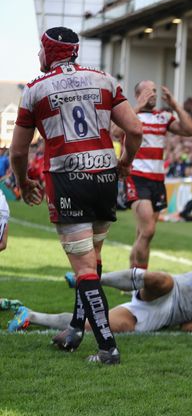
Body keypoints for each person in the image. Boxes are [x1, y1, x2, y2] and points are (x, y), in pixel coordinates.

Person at [9, 27, 143, 364]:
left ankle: (107, 348)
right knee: (93, 259)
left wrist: (24, 184)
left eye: (40, 50)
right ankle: (75, 330)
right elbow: (135, 129)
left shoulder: (35, 90)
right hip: (103, 177)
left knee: (83, 268)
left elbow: (17, 153)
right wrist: (124, 162)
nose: (38, 57)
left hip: (67, 179)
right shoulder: (105, 80)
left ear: (50, 52)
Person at [9, 255, 192, 334]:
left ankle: (30, 315)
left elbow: (187, 325)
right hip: (168, 291)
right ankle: (91, 279)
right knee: (162, 279)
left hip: (161, 315)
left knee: (100, 325)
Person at [127, 80, 192, 272]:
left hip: (157, 180)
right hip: (137, 176)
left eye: (155, 91)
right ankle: (138, 278)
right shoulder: (131, 115)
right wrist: (138, 107)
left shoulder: (163, 117)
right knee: (148, 230)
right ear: (138, 94)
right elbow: (116, 132)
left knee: (143, 232)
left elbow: (190, 130)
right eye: (149, 91)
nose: (153, 94)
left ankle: (134, 278)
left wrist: (175, 106)